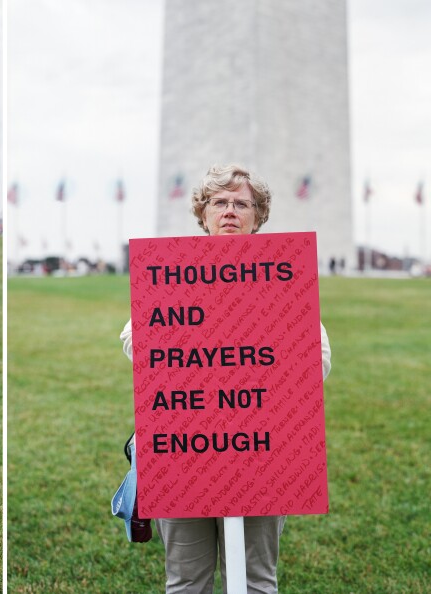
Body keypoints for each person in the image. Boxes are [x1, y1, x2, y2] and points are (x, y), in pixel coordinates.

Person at [119, 164, 332, 593]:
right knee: (185, 581)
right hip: (183, 446)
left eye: (241, 203)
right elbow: (134, 341)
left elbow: (317, 359)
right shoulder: (173, 272)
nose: (230, 211)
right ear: (203, 212)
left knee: (257, 580)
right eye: (220, 202)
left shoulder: (282, 275)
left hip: (262, 448)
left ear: (258, 215)